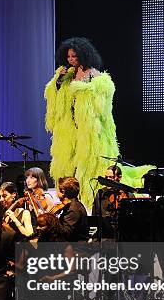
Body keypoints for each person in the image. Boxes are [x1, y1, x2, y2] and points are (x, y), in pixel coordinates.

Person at [44, 37, 152, 210]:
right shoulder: (67, 74)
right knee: (70, 165)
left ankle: (91, 202)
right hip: (71, 130)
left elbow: (102, 99)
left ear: (83, 55)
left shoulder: (95, 75)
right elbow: (54, 96)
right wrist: (59, 81)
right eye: (69, 56)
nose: (70, 60)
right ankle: (72, 201)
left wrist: (84, 90)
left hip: (90, 131)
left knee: (90, 166)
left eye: (74, 56)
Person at [92, 165, 126, 240]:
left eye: (111, 177)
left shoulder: (127, 195)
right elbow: (94, 215)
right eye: (106, 177)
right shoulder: (100, 193)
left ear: (119, 178)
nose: (107, 180)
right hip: (104, 236)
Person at [56, 177, 89, 242]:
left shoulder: (73, 209)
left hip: (75, 248)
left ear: (63, 192)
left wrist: (52, 221)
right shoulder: (72, 205)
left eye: (57, 190)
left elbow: (66, 233)